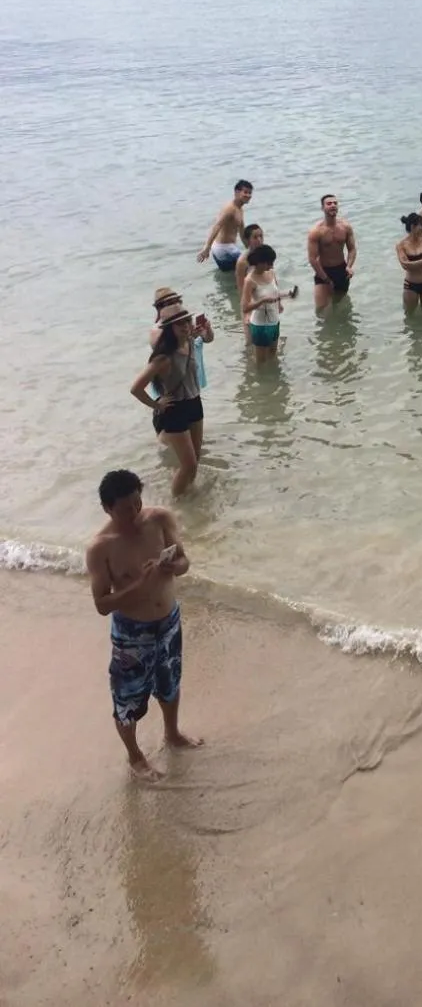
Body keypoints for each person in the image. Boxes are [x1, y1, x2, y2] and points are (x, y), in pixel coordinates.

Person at [86, 469, 200, 782]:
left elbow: (184, 562)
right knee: (128, 700)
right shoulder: (101, 548)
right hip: (131, 634)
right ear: (108, 509)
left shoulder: (160, 519)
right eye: (125, 509)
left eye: (138, 503)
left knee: (171, 682)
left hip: (169, 621)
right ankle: (135, 757)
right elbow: (102, 604)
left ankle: (172, 734)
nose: (134, 513)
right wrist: (141, 583)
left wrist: (170, 566)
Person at [131, 303, 213, 497]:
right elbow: (136, 388)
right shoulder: (163, 358)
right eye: (179, 324)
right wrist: (157, 404)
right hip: (175, 409)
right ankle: (177, 502)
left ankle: (188, 493)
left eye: (187, 321)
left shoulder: (190, 342)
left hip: (195, 403)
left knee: (196, 458)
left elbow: (209, 339)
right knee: (188, 464)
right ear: (169, 330)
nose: (185, 326)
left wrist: (207, 329)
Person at [242, 244, 296, 360]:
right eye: (269, 263)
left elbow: (275, 292)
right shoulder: (249, 280)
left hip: (274, 321)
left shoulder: (271, 273)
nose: (271, 266)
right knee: (261, 361)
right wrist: (263, 300)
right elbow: (245, 308)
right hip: (260, 325)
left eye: (272, 262)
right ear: (259, 262)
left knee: (273, 354)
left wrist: (287, 295)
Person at [308, 194, 358, 309]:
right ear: (322, 208)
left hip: (342, 270)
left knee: (340, 307)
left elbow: (352, 249)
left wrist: (349, 266)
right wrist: (326, 279)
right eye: (329, 203)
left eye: (335, 203)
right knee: (322, 310)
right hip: (323, 271)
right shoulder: (316, 231)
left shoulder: (345, 227)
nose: (333, 205)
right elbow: (312, 259)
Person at [197, 179, 253, 270]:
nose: (248, 195)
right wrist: (207, 247)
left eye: (250, 193)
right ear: (236, 192)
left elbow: (242, 232)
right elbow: (217, 226)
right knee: (250, 268)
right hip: (224, 249)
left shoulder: (239, 209)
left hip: (224, 248)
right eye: (245, 192)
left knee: (231, 275)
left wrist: (250, 248)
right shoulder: (230, 208)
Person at [397, 212, 422, 311]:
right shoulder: (401, 245)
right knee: (409, 315)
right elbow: (404, 266)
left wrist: (413, 264)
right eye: (421, 225)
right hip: (410, 285)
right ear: (413, 226)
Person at [235, 223, 265, 296]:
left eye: (261, 236)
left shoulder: (265, 254)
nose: (259, 240)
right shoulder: (242, 262)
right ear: (247, 240)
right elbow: (241, 289)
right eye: (255, 237)